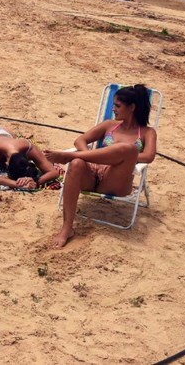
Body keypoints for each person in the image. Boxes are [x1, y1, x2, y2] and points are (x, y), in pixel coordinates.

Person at [43, 84, 157, 248]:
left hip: (115, 181)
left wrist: (119, 157)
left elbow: (149, 156)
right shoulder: (109, 125)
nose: (113, 109)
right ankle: (67, 228)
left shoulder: (147, 132)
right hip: (92, 174)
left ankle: (70, 156)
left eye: (117, 106)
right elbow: (80, 141)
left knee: (128, 149)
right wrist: (90, 157)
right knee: (76, 164)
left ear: (132, 107)